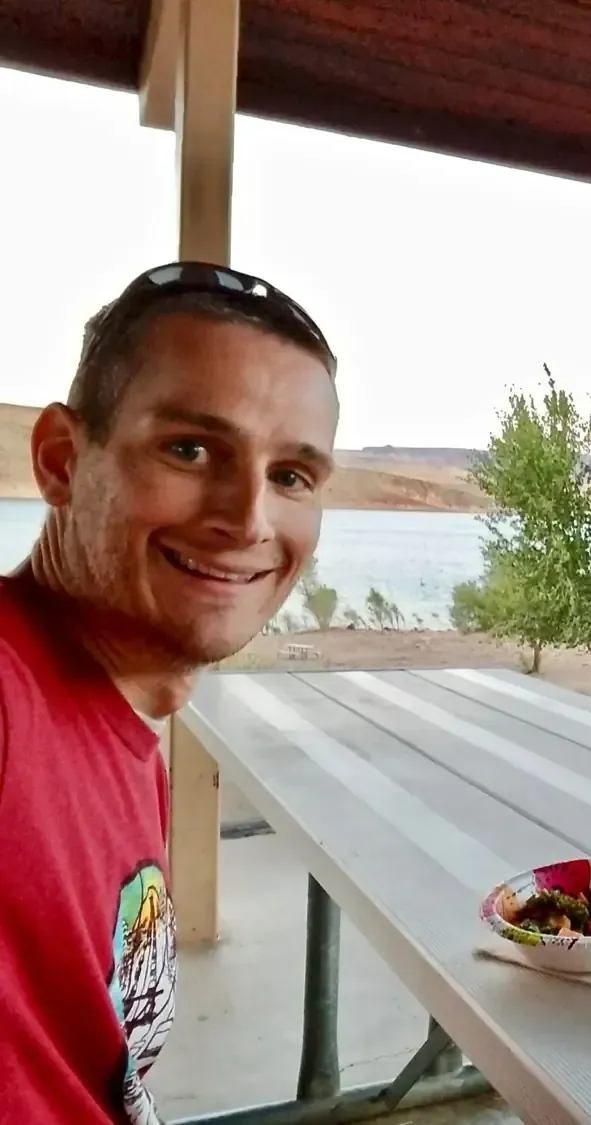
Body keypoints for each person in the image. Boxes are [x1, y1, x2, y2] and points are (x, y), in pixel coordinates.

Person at [0, 262, 339, 1124]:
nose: (250, 518)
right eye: (191, 449)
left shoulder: (123, 729)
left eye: (293, 475)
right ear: (61, 460)